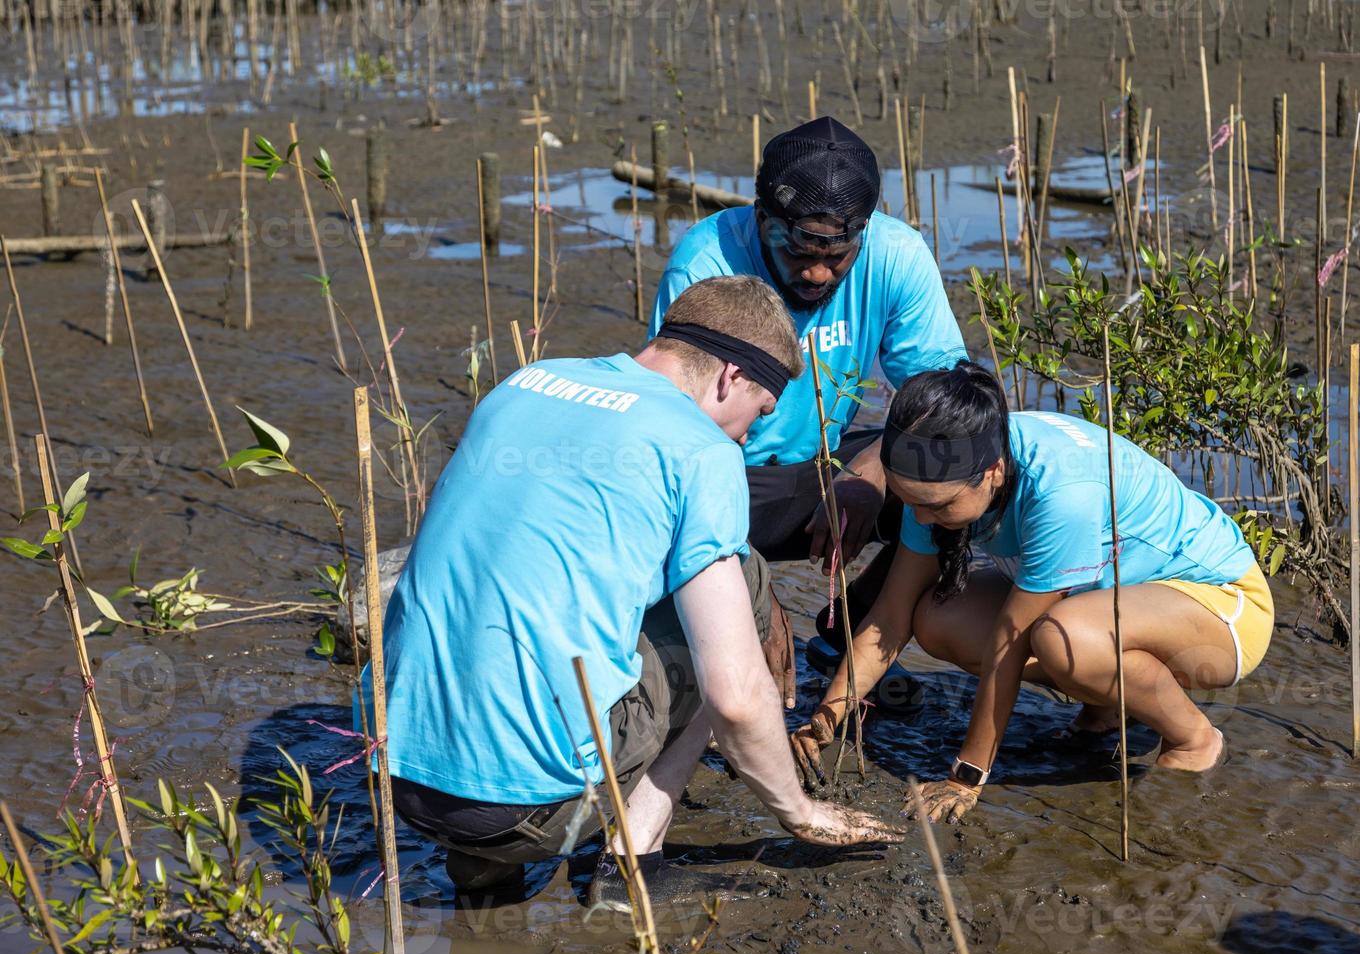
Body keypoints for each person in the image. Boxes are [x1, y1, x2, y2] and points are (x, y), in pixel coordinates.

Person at [360, 276, 900, 905]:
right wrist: (800, 813)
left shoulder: (525, 383)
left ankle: (481, 871)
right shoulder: (701, 450)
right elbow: (735, 698)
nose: (750, 436)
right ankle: (631, 866)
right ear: (730, 377)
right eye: (761, 410)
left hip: (399, 777)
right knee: (743, 579)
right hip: (526, 809)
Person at [791, 362, 1274, 823]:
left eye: (937, 506)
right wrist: (828, 716)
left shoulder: (1060, 491)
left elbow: (1011, 638)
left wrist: (968, 775)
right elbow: (889, 617)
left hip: (1221, 610)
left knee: (1063, 638)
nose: (918, 519)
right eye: (908, 499)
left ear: (994, 472)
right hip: (1119, 604)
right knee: (938, 617)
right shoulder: (942, 476)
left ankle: (1193, 738)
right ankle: (1106, 707)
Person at [648, 116, 967, 681]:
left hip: (829, 463)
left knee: (956, 472)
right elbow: (680, 445)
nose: (818, 273)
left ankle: (854, 635)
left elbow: (944, 396)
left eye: (838, 255)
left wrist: (873, 469)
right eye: (798, 251)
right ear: (763, 217)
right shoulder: (706, 263)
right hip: (729, 477)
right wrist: (754, 589)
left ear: (863, 233)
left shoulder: (897, 254)